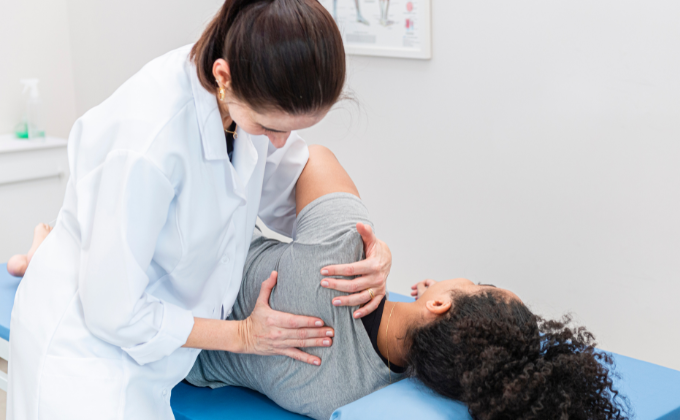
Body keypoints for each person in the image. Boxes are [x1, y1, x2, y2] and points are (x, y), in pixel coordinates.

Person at [7, 1, 393, 419]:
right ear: (223, 77)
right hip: (88, 357)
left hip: (159, 346)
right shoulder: (150, 142)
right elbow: (111, 313)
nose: (279, 143)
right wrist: (243, 335)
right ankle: (46, 253)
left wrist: (369, 246)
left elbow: (291, 179)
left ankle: (43, 249)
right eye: (271, 128)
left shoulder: (243, 99)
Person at [183, 146, 629, 420]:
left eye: (478, 283)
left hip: (177, 250)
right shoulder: (353, 399)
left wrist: (357, 238)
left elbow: (309, 158)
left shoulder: (342, 258)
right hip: (178, 364)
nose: (463, 276)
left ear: (440, 305)